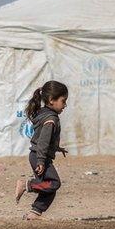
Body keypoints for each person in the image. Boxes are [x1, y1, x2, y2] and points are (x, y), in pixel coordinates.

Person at [15, 81, 68, 219]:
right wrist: (41, 161)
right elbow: (43, 141)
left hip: (38, 155)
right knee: (54, 183)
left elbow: (45, 140)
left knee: (48, 187)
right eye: (63, 101)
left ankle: (33, 214)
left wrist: (57, 148)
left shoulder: (44, 114)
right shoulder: (50, 119)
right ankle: (27, 185)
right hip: (40, 156)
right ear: (52, 101)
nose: (65, 105)